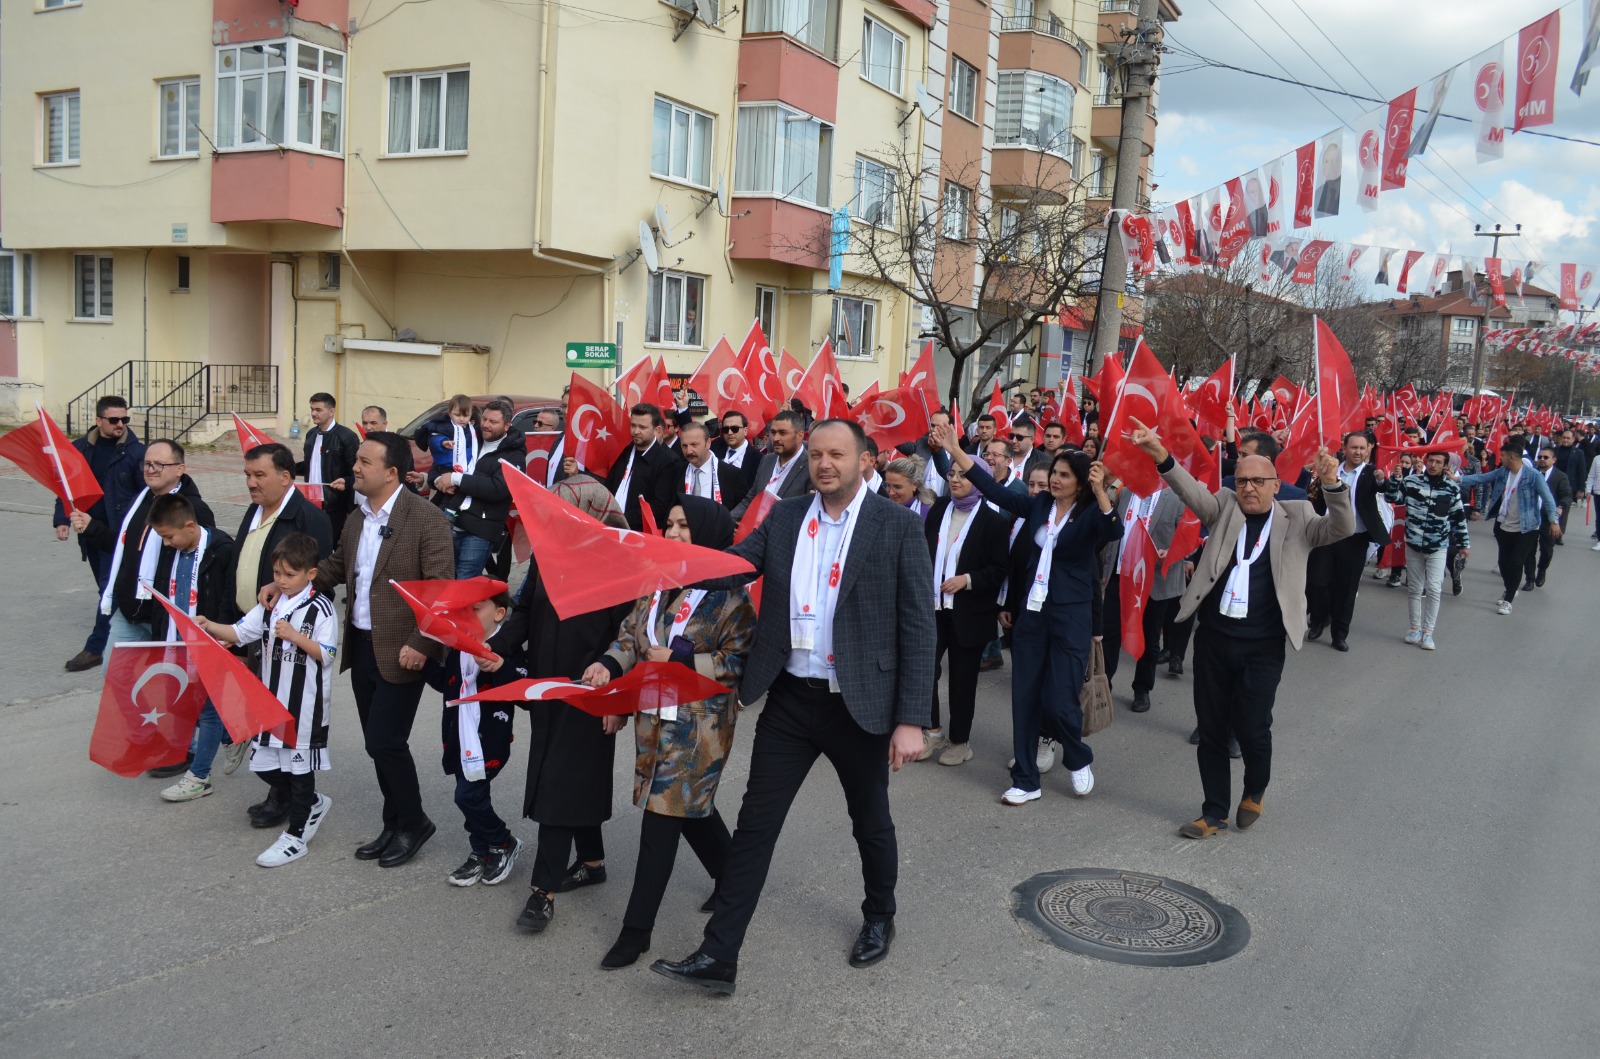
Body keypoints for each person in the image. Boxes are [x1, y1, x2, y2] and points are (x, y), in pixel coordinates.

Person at [651, 419, 935, 995]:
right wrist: (664, 560)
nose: (824, 463)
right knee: (756, 825)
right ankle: (719, 955)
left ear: (864, 462)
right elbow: (735, 564)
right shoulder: (785, 516)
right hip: (790, 697)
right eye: (815, 454)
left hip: (857, 702)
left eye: (836, 454)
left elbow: (917, 625)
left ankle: (880, 914)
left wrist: (911, 720)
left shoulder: (896, 526)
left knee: (869, 820)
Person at [1125, 421, 1351, 838]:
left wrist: (1333, 482)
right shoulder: (1224, 505)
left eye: (1258, 481)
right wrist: (1159, 453)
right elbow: (1190, 490)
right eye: (1242, 480)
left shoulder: (1299, 515)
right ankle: (1213, 812)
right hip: (1213, 639)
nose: (1248, 488)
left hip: (1264, 645)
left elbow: (1341, 527)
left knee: (1251, 726)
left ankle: (1255, 789)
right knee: (1211, 729)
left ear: (1276, 485)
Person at [584, 496, 757, 969]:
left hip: (698, 727)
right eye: (669, 523)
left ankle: (636, 931)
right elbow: (628, 637)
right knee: (688, 807)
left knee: (662, 817)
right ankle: (730, 879)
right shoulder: (657, 582)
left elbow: (737, 663)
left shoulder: (731, 595)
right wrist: (606, 665)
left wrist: (681, 661)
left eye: (683, 525)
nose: (674, 532)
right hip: (654, 717)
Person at [936, 421, 1118, 806]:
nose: (1054, 480)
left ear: (1081, 482)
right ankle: (1026, 779)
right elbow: (993, 490)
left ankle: (1078, 755)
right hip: (1031, 616)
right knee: (1025, 697)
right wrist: (955, 450)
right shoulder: (1038, 506)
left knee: (1059, 699)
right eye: (1054, 473)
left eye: (1064, 476)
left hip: (1069, 618)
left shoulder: (1088, 516)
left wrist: (1102, 491)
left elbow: (1111, 529)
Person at [310, 431, 455, 867]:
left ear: (391, 472)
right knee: (379, 746)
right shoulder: (358, 518)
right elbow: (337, 566)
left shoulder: (426, 519)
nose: (354, 467)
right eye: (356, 460)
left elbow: (442, 594)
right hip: (364, 646)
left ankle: (415, 823)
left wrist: (421, 643)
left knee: (384, 741)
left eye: (364, 462)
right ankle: (393, 823)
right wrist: (290, 584)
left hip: (403, 651)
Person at [508, 476, 637, 933]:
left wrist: (618, 701)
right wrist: (495, 649)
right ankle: (593, 862)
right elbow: (524, 611)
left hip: (592, 692)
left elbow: (631, 639)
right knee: (566, 778)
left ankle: (542, 892)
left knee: (559, 788)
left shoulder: (618, 564)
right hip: (547, 687)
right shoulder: (547, 554)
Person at [75, 439, 219, 778]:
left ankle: (185, 746)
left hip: (165, 616)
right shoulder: (143, 501)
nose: (150, 469)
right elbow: (128, 549)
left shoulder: (193, 509)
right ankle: (146, 737)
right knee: (115, 674)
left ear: (180, 469)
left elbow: (204, 566)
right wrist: (93, 529)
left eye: (159, 465)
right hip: (129, 609)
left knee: (176, 685)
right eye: (147, 464)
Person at [196, 532, 338, 867]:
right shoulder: (270, 604)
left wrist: (294, 637)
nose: (282, 581)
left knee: (300, 770)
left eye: (290, 575)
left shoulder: (322, 609)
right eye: (277, 574)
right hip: (270, 701)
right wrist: (210, 626)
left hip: (303, 705)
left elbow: (328, 654)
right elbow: (241, 632)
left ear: (310, 574)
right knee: (266, 766)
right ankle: (312, 802)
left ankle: (296, 836)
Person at [420, 590, 528, 888]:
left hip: (489, 738)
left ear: (499, 613)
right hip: (457, 735)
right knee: (472, 796)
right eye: (464, 610)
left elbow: (523, 686)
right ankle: (481, 851)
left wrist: (500, 665)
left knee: (467, 795)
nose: (468, 616)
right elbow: (448, 683)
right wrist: (424, 664)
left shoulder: (508, 646)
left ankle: (503, 842)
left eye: (476, 609)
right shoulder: (460, 645)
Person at [144, 494, 239, 803]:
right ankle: (232, 735)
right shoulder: (172, 551)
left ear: (188, 525)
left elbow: (230, 595)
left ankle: (199, 776)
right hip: (177, 641)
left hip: (210, 643)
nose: (167, 544)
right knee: (186, 702)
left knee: (208, 709)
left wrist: (225, 633)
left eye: (169, 536)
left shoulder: (221, 550)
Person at [923, 465, 1011, 766]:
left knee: (962, 680)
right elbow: (925, 550)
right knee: (923, 670)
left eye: (964, 474)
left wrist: (967, 580)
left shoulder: (993, 521)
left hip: (968, 611)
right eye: (952, 474)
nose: (955, 479)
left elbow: (999, 568)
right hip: (933, 607)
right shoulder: (938, 509)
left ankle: (960, 741)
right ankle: (932, 731)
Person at [56, 396, 146, 672]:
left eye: (125, 419)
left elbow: (146, 494)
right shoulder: (80, 448)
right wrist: (62, 519)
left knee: (110, 588)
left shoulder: (137, 453)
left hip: (118, 535)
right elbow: (66, 486)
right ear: (98, 421)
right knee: (107, 588)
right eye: (114, 420)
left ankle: (95, 647)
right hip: (89, 532)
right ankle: (138, 627)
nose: (121, 424)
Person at [1100, 485, 1189, 715]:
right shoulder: (1127, 491)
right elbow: (1116, 531)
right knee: (1108, 634)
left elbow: (1188, 537)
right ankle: (1103, 684)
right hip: (1120, 575)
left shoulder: (1178, 495)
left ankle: (1142, 688)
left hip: (1154, 579)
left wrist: (1172, 552)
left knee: (1149, 639)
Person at [1458, 435, 1561, 616]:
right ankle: (1510, 587)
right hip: (1503, 524)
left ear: (1512, 457)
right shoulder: (1503, 472)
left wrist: (1554, 521)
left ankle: (1508, 599)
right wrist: (1458, 479)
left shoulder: (1533, 476)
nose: (1501, 459)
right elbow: (1482, 478)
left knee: (1515, 563)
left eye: (1503, 456)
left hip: (1526, 528)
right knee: (1503, 562)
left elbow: (1548, 499)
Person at [1375, 451, 1469, 649]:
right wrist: (1395, 478)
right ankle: (1415, 628)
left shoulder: (1451, 488)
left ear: (1445, 466)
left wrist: (1463, 544)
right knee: (1415, 589)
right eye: (1431, 461)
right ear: (1425, 462)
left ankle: (1428, 632)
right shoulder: (1412, 482)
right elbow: (1393, 497)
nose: (1433, 465)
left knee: (1434, 588)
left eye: (1438, 462)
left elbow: (1458, 517)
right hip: (1414, 543)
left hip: (1438, 546)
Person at [428, 398, 525, 579]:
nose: (486, 425)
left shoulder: (514, 454)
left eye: (493, 422)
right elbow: (439, 467)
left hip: (480, 531)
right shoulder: (470, 438)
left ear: (506, 425)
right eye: (485, 419)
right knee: (444, 579)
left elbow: (499, 488)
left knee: (465, 583)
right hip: (449, 523)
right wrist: (439, 480)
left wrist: (457, 479)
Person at [1305, 433, 1385, 652]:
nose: (1358, 452)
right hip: (1327, 534)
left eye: (1362, 448)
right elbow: (1314, 496)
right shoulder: (1331, 469)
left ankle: (1339, 634)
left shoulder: (1372, 473)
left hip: (1355, 539)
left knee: (1346, 589)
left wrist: (1383, 480)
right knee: (1316, 581)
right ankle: (1319, 619)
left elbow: (1387, 489)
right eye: (1354, 447)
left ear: (1368, 449)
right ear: (1344, 448)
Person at [606, 403, 685, 532]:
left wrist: (621, 519)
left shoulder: (668, 461)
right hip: (611, 528)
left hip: (641, 534)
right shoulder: (623, 452)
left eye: (642, 427)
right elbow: (609, 487)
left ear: (657, 430)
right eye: (633, 425)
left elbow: (660, 506)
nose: (636, 431)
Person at [296, 392, 360, 541]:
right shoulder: (311, 434)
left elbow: (356, 470)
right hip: (310, 500)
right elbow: (310, 464)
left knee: (331, 543)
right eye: (312, 409)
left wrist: (346, 482)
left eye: (318, 410)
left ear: (331, 411)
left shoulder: (346, 436)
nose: (313, 413)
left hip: (334, 504)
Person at [729, 410, 811, 522]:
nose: (776, 438)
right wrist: (728, 520)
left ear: (800, 435)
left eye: (783, 433)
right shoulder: (767, 460)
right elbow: (752, 498)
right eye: (773, 432)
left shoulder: (811, 467)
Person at [1524, 446, 1572, 590]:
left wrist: (1560, 507)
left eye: (1546, 457)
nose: (1542, 460)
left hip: (1549, 520)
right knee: (1529, 550)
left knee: (1547, 550)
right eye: (1540, 457)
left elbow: (1566, 496)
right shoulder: (1531, 473)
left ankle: (1542, 569)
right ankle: (1530, 579)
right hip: (1531, 517)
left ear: (1553, 460)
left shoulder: (1560, 476)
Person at [679, 422, 748, 512]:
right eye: (684, 446)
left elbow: (743, 509)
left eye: (694, 445)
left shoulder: (731, 474)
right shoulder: (677, 472)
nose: (689, 451)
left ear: (708, 443)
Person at [710, 411, 763, 491]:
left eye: (735, 429)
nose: (730, 433)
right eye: (725, 429)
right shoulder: (714, 447)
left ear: (745, 431)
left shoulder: (758, 459)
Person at [883, 456, 935, 521]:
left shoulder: (927, 514)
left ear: (914, 485)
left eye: (897, 487)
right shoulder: (882, 509)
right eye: (888, 485)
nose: (891, 492)